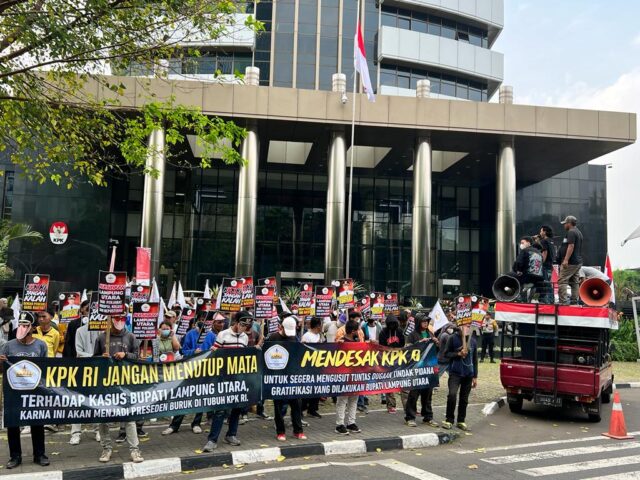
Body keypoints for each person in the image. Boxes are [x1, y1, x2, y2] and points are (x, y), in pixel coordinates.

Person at [0, 312, 50, 469]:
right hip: (13, 392)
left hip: (34, 391)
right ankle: (15, 456)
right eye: (20, 324)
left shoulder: (41, 345)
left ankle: (39, 454)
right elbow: (2, 370)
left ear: (32, 328)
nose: (22, 328)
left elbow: (46, 368)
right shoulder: (8, 346)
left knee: (37, 422)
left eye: (26, 325)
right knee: (13, 423)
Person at [94, 316, 143, 463]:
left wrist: (125, 355)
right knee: (103, 418)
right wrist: (100, 357)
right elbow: (93, 358)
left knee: (129, 417)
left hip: (125, 383)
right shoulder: (102, 338)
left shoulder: (131, 336)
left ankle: (135, 450)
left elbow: (138, 356)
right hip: (106, 384)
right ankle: (106, 448)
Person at [202, 311, 252, 452]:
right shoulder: (223, 334)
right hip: (222, 378)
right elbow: (215, 353)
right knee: (220, 410)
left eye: (246, 325)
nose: (244, 327)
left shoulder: (245, 338)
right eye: (242, 324)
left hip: (237, 378)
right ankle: (212, 440)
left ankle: (231, 434)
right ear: (235, 322)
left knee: (237, 407)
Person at [266, 316, 307, 441]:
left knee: (296, 404)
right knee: (278, 406)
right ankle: (280, 431)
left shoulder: (294, 338)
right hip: (277, 377)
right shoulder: (273, 338)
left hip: (292, 376)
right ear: (281, 327)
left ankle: (298, 430)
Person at [68, 300, 96, 445]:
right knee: (78, 401)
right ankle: (75, 433)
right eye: (88, 310)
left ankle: (98, 430)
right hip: (81, 369)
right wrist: (95, 357)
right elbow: (79, 352)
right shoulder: (79, 330)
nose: (91, 313)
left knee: (98, 401)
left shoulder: (105, 331)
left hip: (99, 371)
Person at [404, 314, 438, 428]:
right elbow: (407, 350)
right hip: (416, 368)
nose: (426, 323)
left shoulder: (430, 333)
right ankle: (410, 417)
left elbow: (436, 349)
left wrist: (436, 343)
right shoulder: (412, 335)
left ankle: (428, 417)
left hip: (428, 368)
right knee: (414, 394)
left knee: (427, 394)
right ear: (418, 322)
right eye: (423, 321)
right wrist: (419, 343)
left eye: (427, 321)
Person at [442, 324, 478, 431]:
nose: (466, 328)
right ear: (459, 327)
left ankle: (461, 420)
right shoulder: (452, 338)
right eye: (464, 326)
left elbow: (475, 359)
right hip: (455, 373)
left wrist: (475, 376)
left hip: (468, 373)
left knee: (464, 398)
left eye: (468, 326)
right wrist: (458, 353)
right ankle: (449, 419)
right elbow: (446, 354)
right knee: (452, 395)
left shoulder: (473, 341)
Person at [335, 319, 363, 435]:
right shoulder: (341, 343)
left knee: (353, 399)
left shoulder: (357, 342)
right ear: (352, 331)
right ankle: (339, 424)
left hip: (355, 374)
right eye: (357, 330)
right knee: (342, 400)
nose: (359, 332)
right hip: (344, 375)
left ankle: (351, 422)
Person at [379, 314, 405, 413]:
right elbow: (381, 347)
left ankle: (407, 405)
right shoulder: (383, 332)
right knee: (389, 383)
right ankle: (391, 405)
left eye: (394, 324)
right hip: (387, 360)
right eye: (391, 324)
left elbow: (403, 344)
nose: (392, 326)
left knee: (403, 381)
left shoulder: (399, 332)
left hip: (399, 359)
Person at [557, 215, 584, 305]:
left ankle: (563, 302)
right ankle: (574, 301)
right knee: (574, 282)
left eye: (565, 224)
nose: (564, 225)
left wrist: (566, 260)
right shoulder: (578, 232)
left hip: (570, 262)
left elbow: (571, 246)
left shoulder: (571, 232)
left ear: (569, 223)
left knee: (562, 281)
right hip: (577, 262)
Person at [301, 316, 324, 419]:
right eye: (321, 324)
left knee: (317, 388)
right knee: (307, 389)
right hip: (309, 366)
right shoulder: (307, 336)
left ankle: (313, 409)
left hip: (318, 365)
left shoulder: (319, 335)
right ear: (318, 325)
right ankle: (302, 409)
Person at [536, 226, 555, 303]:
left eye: (541, 231)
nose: (540, 233)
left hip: (545, 266)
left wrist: (541, 263)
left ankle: (546, 300)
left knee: (545, 283)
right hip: (550, 265)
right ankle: (550, 299)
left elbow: (544, 252)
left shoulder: (544, 241)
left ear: (544, 232)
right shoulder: (550, 241)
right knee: (548, 283)